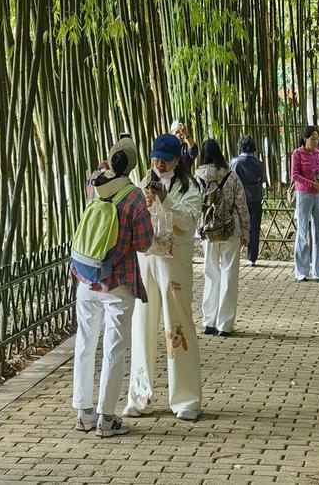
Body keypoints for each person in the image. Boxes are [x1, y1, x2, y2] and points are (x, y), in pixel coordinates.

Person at [70, 133, 153, 437]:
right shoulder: (134, 196)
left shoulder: (95, 182)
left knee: (84, 344)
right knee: (113, 349)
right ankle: (107, 418)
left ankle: (84, 412)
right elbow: (144, 244)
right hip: (119, 282)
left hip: (86, 277)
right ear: (132, 166)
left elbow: (98, 172)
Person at [124, 133, 202, 421]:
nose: (159, 163)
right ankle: (138, 395)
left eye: (165, 160)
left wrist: (165, 199)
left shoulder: (189, 186)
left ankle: (186, 399)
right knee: (141, 327)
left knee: (177, 328)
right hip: (146, 262)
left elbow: (188, 222)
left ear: (177, 160)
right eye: (156, 158)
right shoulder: (143, 181)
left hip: (174, 265)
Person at [195, 138, 250, 336]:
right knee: (229, 275)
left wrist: (196, 231)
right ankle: (224, 324)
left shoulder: (197, 177)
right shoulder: (231, 175)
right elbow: (241, 205)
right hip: (230, 229)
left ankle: (208, 322)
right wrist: (246, 230)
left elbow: (194, 206)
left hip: (208, 231)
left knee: (210, 274)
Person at [291, 125, 319, 282]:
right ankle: (301, 270)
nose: (315, 141)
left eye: (317, 139)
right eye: (312, 139)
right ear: (305, 139)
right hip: (304, 195)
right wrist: (310, 184)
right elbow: (295, 175)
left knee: (318, 233)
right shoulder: (297, 153)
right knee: (302, 232)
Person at [230, 136, 265, 265]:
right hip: (255, 199)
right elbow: (262, 181)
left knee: (236, 227)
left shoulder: (235, 162)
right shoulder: (259, 163)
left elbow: (230, 180)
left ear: (241, 147)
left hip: (238, 200)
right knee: (254, 229)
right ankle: (252, 258)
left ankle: (235, 255)